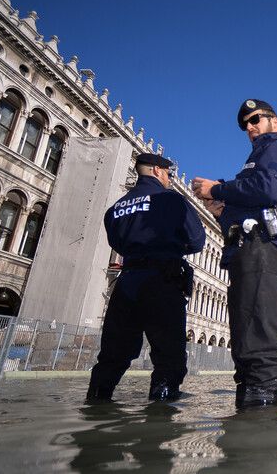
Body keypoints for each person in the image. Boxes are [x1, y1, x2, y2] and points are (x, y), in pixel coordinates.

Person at [191, 99, 277, 407]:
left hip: (263, 249)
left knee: (258, 343)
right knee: (245, 346)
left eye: (255, 119)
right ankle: (247, 420)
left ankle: (260, 429)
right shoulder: (256, 157)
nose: (250, 127)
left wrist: (217, 189)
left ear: (275, 121)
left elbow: (268, 190)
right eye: (245, 125)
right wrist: (220, 211)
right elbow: (253, 201)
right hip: (247, 250)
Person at [87, 153, 206, 401]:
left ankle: (97, 401)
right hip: (161, 280)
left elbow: (116, 242)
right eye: (169, 174)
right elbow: (196, 241)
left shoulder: (115, 209)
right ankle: (160, 413)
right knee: (168, 355)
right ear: (156, 171)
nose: (171, 180)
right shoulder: (172, 201)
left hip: (126, 283)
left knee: (113, 354)